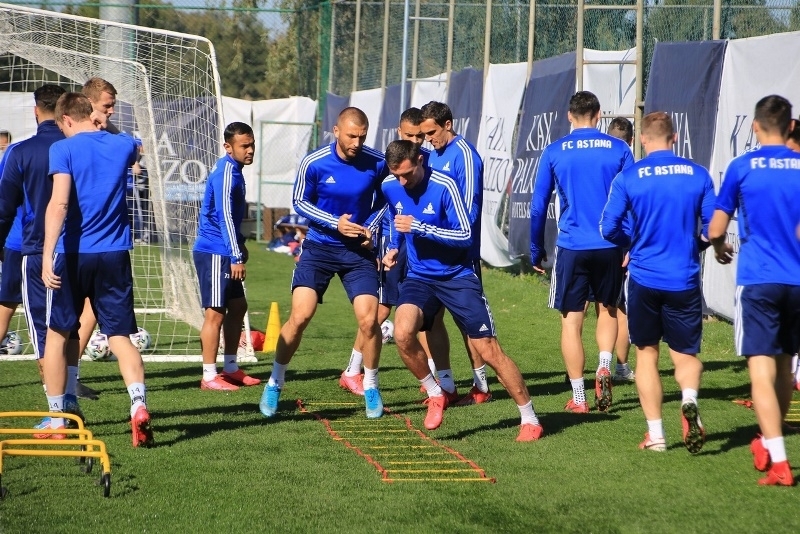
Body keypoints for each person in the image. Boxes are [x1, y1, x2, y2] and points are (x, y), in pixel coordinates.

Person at [382, 140, 542, 441]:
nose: (402, 181)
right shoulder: (390, 186)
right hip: (419, 277)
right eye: (396, 175)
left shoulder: (444, 186)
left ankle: (530, 418)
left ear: (420, 161)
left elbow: (465, 235)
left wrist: (420, 227)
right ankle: (436, 393)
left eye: (407, 174)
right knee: (402, 334)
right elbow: (395, 218)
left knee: (488, 349)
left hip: (457, 276)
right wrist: (393, 247)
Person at [259, 107, 388, 419]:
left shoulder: (377, 161)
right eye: (352, 136)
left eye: (362, 137)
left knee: (369, 321)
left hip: (358, 253)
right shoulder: (314, 162)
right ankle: (275, 381)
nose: (357, 143)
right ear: (336, 131)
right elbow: (299, 201)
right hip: (319, 249)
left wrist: (370, 227)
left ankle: (370, 384)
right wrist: (334, 223)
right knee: (300, 316)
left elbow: (387, 200)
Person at [42, 92, 153, 447]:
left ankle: (58, 419)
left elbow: (59, 203)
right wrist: (104, 124)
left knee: (58, 334)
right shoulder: (121, 145)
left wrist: (46, 255)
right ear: (92, 114)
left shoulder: (63, 149)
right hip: (115, 254)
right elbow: (136, 147)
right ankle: (138, 404)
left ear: (66, 120)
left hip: (74, 253)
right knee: (120, 337)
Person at [600, 112, 714, 453]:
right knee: (686, 355)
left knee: (646, 354)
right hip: (684, 278)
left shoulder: (629, 177)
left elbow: (608, 227)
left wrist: (630, 244)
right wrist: (696, 245)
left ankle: (656, 435)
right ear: (674, 138)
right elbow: (713, 227)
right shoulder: (698, 174)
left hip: (645, 278)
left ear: (642, 140)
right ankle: (689, 399)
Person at [709, 95, 800, 486]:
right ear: (791, 126)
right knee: (784, 365)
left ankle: (779, 461)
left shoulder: (742, 166)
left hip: (759, 280)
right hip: (797, 281)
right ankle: (767, 440)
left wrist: (719, 247)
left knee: (761, 369)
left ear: (755, 126)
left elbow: (716, 227)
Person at [530, 91, 634, 414]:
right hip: (610, 244)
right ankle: (605, 365)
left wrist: (535, 248)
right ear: (599, 115)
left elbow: (538, 205)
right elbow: (634, 201)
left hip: (572, 245)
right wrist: (630, 243)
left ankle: (579, 397)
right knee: (609, 310)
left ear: (569, 116)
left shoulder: (554, 151)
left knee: (571, 322)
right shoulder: (620, 149)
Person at [340, 106, 428, 396]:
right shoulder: (388, 165)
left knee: (425, 312)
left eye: (420, 136)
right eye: (409, 135)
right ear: (399, 132)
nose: (415, 141)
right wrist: (377, 240)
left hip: (419, 244)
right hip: (392, 245)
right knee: (381, 310)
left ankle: (436, 377)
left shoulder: (425, 162)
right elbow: (383, 206)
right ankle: (353, 370)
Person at [418, 101, 491, 406]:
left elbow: (470, 211)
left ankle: (481, 385)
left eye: (432, 132)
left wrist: (440, 233)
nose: (428, 139)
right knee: (431, 319)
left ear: (448, 125)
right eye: (424, 134)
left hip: (460, 255)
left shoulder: (465, 155)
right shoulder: (430, 154)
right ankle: (446, 384)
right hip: (431, 257)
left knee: (468, 323)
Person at [193, 122, 260, 391]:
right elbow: (224, 219)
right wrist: (236, 256)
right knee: (215, 314)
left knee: (238, 307)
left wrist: (239, 246)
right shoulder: (225, 174)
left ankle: (230, 368)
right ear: (228, 147)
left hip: (226, 249)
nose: (250, 150)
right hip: (214, 251)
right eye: (244, 146)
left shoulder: (235, 170)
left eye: (252, 144)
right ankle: (209, 376)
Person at [606, 116, 636, 383]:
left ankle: (580, 369)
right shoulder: (629, 163)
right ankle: (620, 367)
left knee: (587, 308)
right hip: (620, 240)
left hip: (587, 240)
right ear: (632, 140)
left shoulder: (594, 161)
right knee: (620, 306)